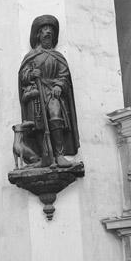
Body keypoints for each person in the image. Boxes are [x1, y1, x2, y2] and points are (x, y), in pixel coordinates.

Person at [18, 15, 80, 167]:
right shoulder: (31, 57)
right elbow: (23, 76)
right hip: (36, 94)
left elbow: (64, 75)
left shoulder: (57, 57)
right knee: (38, 122)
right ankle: (45, 155)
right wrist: (31, 74)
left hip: (53, 92)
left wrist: (59, 85)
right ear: (38, 35)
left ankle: (59, 155)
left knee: (55, 112)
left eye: (50, 31)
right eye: (44, 30)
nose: (48, 33)